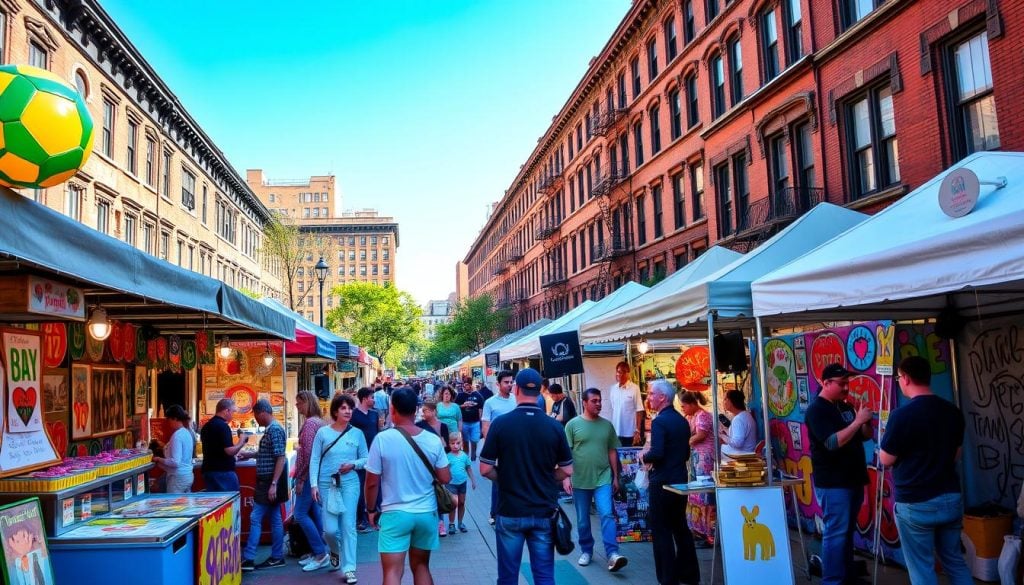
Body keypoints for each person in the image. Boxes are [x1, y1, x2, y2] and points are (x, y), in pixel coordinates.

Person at [880, 356, 971, 585]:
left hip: (915, 502)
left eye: (899, 377)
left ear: (906, 379)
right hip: (950, 497)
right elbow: (956, 455)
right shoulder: (953, 412)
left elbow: (885, 459)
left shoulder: (901, 416)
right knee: (955, 562)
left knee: (922, 569)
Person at [480, 368, 574, 585]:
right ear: (540, 391)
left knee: (508, 576)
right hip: (543, 511)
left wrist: (506, 477)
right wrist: (547, 478)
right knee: (543, 576)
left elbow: (484, 469)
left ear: (516, 389)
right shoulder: (554, 426)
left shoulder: (501, 424)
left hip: (510, 510)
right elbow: (568, 470)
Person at [365, 387, 450, 585]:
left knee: (392, 572)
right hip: (426, 513)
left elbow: (371, 483)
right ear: (416, 409)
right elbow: (445, 478)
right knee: (421, 567)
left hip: (394, 513)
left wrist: (370, 510)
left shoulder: (382, 440)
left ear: (392, 409)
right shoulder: (433, 440)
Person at [805, 363, 873, 585]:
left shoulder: (845, 407)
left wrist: (864, 420)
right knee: (835, 533)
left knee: (845, 532)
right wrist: (857, 422)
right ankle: (833, 580)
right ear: (826, 383)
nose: (846, 388)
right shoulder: (817, 410)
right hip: (834, 482)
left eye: (847, 383)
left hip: (853, 478)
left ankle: (846, 576)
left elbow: (864, 436)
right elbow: (832, 442)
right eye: (842, 384)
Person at [640, 379, 700, 585]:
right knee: (680, 526)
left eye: (650, 394)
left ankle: (668, 578)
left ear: (662, 397)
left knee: (662, 530)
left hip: (662, 482)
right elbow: (685, 453)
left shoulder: (660, 422)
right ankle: (689, 574)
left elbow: (657, 452)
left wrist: (644, 457)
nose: (648, 398)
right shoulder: (682, 421)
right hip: (679, 479)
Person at [563, 388, 627, 572]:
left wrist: (616, 476)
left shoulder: (607, 425)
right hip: (580, 479)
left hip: (603, 478)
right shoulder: (572, 425)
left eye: (600, 401)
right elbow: (566, 453)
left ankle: (612, 553)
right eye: (594, 401)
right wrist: (567, 477)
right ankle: (586, 550)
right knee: (583, 519)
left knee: (606, 513)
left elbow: (612, 451)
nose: (598, 404)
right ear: (584, 402)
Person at [309, 393, 368, 583]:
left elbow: (366, 459)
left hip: (350, 483)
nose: (348, 411)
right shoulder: (323, 433)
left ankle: (349, 568)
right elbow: (315, 459)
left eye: (350, 408)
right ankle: (334, 551)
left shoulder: (357, 433)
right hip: (328, 485)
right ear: (335, 411)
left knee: (348, 526)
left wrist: (353, 464)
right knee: (329, 530)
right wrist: (314, 484)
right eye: (343, 408)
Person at [240, 399, 288, 571]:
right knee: (275, 519)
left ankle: (249, 557)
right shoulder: (273, 429)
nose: (255, 418)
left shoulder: (274, 430)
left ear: (261, 412)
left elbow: (280, 457)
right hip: (269, 480)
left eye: (255, 414)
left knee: (256, 518)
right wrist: (250, 455)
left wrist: (273, 483)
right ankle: (276, 556)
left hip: (268, 480)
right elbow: (272, 454)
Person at [290, 391, 329, 566]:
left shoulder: (310, 424)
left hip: (309, 476)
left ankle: (320, 553)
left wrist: (302, 479)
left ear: (306, 402)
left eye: (299, 403)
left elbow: (308, 454)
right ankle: (321, 550)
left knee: (299, 513)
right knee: (315, 512)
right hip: (317, 475)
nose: (297, 406)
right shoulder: (320, 422)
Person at [678, 391, 715, 547]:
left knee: (705, 495)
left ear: (693, 404)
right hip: (696, 459)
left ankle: (709, 533)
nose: (683, 409)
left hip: (705, 460)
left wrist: (684, 442)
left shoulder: (703, 416)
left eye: (684, 406)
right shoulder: (692, 417)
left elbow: (701, 435)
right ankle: (698, 530)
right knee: (696, 495)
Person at [482, 369, 518, 526]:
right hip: (499, 450)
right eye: (506, 382)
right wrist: (491, 452)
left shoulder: (516, 400)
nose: (509, 384)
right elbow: (486, 428)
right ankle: (495, 513)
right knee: (498, 482)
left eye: (511, 382)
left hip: (516, 448)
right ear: (498, 384)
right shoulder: (490, 403)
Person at [199, 398, 250, 491]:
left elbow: (216, 450)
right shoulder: (223, 426)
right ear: (227, 411)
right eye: (233, 412)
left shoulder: (206, 426)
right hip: (223, 472)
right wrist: (241, 442)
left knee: (216, 503)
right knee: (230, 503)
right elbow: (229, 451)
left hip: (208, 470)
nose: (233, 415)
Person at [351, 387, 382, 533]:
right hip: (359, 457)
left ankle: (375, 515)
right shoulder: (354, 415)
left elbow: (377, 433)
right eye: (372, 397)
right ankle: (361, 518)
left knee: (376, 484)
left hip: (374, 455)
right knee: (361, 486)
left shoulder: (374, 414)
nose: (374, 400)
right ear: (364, 399)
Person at [153, 404, 195, 493]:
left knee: (175, 505)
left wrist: (159, 459)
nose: (169, 423)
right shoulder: (187, 433)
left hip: (178, 478)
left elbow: (175, 462)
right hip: (188, 475)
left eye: (169, 420)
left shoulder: (177, 436)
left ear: (175, 418)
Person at [445, 431, 477, 535]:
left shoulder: (464, 456)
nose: (455, 445)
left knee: (462, 503)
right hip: (451, 484)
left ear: (461, 443)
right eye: (452, 443)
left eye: (458, 443)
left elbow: (468, 468)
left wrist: (473, 480)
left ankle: (460, 523)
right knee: (454, 504)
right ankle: (451, 524)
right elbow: (445, 470)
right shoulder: (448, 456)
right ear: (449, 444)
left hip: (462, 483)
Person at [607, 361, 645, 447]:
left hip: (630, 433)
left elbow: (639, 410)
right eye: (618, 372)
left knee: (628, 459)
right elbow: (614, 408)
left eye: (622, 372)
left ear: (628, 374)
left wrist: (638, 430)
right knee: (617, 457)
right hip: (616, 431)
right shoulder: (613, 389)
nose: (619, 374)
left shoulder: (634, 388)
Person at [719, 389, 757, 458]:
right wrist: (726, 432)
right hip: (745, 454)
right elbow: (738, 435)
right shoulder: (745, 415)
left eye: (725, 399)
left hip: (740, 456)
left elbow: (737, 443)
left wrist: (722, 436)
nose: (723, 402)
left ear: (731, 401)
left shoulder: (739, 419)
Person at [455, 381, 485, 461]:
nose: (465, 386)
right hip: (464, 422)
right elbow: (456, 406)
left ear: (471, 385)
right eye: (464, 385)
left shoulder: (477, 395)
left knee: (474, 440)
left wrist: (480, 421)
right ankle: (466, 457)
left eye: (467, 384)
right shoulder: (460, 395)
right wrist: (464, 405)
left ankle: (473, 455)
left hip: (475, 422)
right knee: (465, 441)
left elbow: (480, 408)